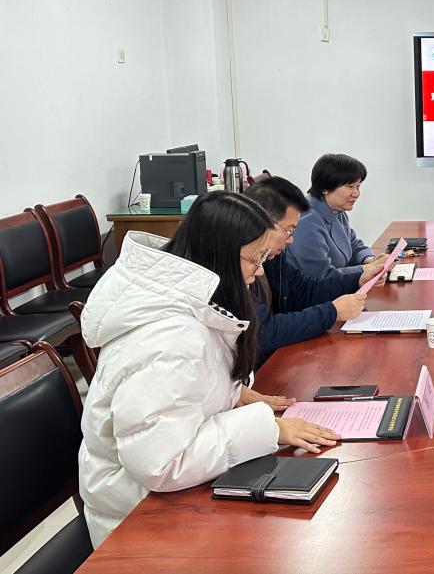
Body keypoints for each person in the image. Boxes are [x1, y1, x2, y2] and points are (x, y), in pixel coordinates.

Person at [77, 192, 339, 547]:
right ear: (220, 257)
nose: (261, 270)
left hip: (164, 500)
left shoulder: (191, 306)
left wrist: (232, 393)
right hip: (139, 522)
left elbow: (182, 394)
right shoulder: (170, 340)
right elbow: (161, 464)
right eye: (255, 258)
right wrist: (269, 428)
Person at [245, 176, 386, 364]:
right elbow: (265, 332)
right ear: (262, 223)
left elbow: (305, 290)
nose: (291, 240)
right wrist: (332, 312)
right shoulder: (239, 266)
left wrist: (358, 278)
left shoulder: (273, 257)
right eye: (289, 230)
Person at [291, 153, 386, 279]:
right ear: (325, 188)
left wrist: (369, 260)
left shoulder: (336, 210)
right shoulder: (307, 221)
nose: (356, 194)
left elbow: (353, 246)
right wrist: (368, 269)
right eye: (350, 186)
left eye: (358, 186)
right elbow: (321, 276)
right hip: (319, 290)